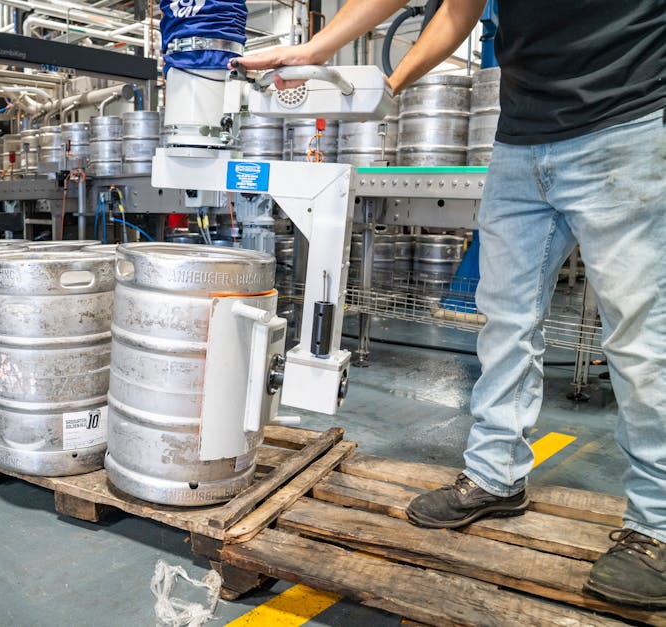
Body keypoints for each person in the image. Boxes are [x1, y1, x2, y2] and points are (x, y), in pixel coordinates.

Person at [233, 0, 666, 609]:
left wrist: (320, 46)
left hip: (626, 127)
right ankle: (495, 475)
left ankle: (657, 527)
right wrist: (381, 79)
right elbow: (458, 9)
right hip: (520, 142)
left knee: (639, 340)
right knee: (503, 324)